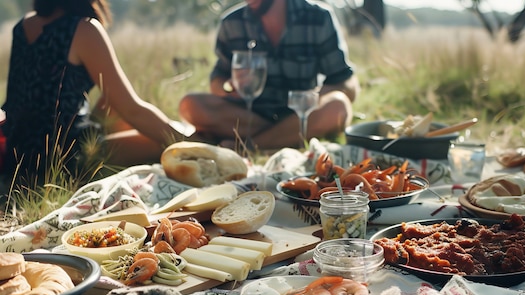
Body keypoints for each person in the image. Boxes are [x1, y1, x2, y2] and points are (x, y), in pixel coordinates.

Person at [0, 0, 194, 183]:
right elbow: (133, 110)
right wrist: (195, 145)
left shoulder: (23, 26)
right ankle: (193, 141)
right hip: (67, 157)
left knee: (113, 103)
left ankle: (181, 133)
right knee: (164, 144)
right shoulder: (83, 29)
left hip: (17, 154)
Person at [178, 0, 360, 151]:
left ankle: (247, 146)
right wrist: (229, 86)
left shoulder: (319, 17)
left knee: (338, 106)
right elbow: (218, 80)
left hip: (298, 115)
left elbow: (346, 83)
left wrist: (319, 95)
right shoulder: (232, 22)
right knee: (190, 105)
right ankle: (282, 140)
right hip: (248, 115)